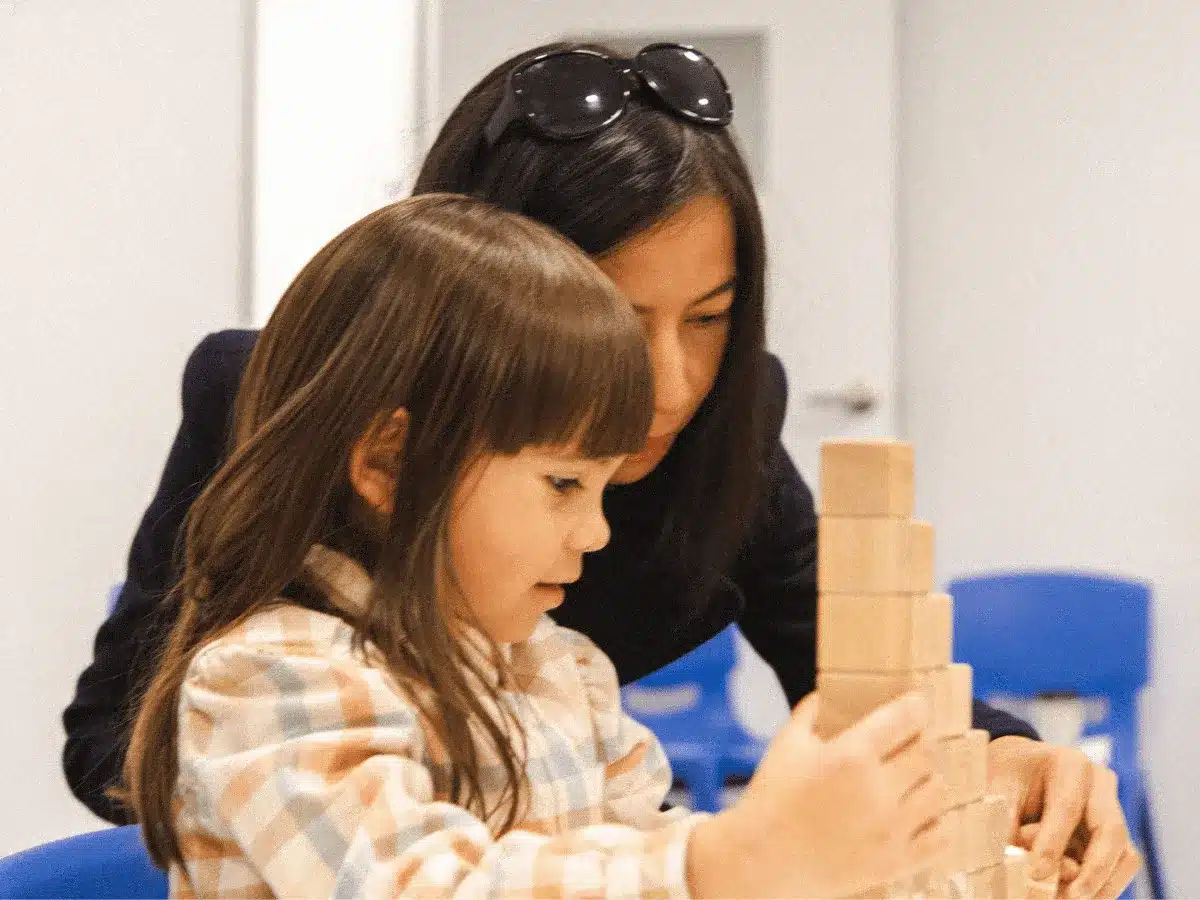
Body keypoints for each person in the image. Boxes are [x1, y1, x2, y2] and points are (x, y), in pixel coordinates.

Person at [67, 41, 1139, 897]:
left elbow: (833, 680)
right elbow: (416, 875)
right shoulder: (278, 671)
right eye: (617, 324)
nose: (669, 389)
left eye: (711, 318)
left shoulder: (561, 668)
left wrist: (984, 780)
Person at [123, 192, 951, 898]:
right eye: (563, 486)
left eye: (601, 489)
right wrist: (726, 863)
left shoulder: (563, 669)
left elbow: (642, 857)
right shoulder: (276, 682)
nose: (596, 532)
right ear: (390, 463)